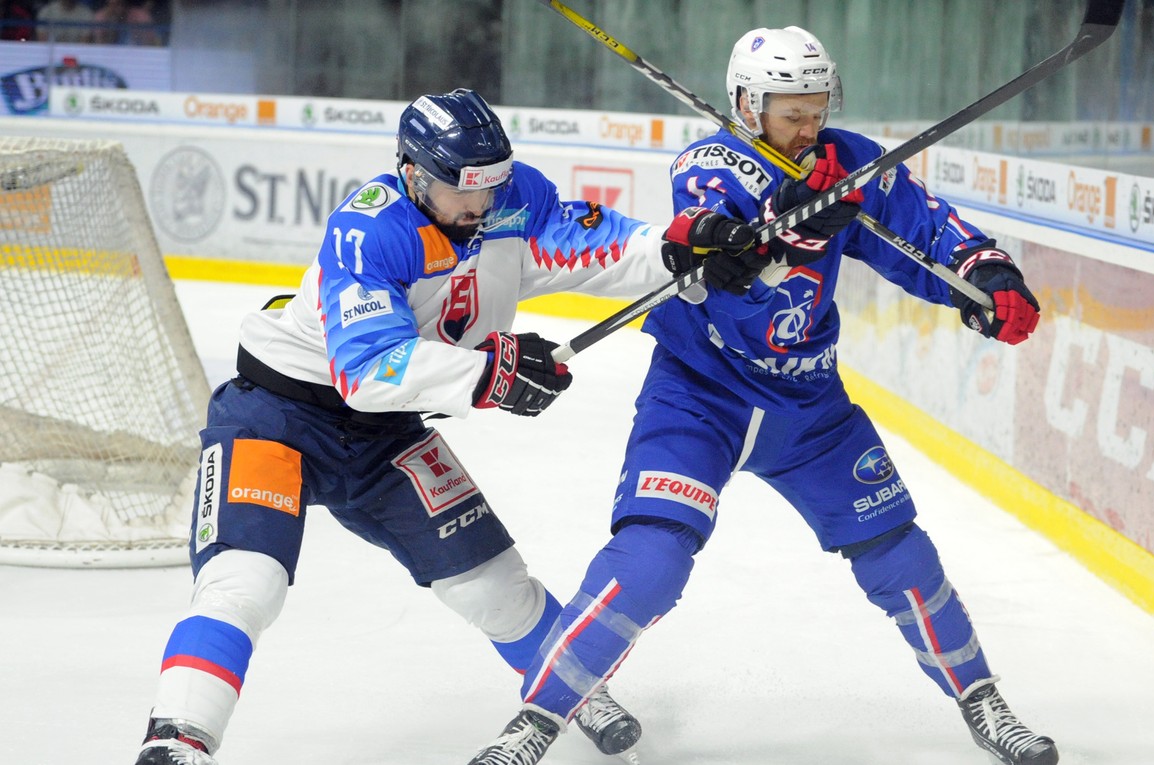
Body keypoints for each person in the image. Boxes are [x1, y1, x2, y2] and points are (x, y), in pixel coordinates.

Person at [467, 26, 1055, 765]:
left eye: (816, 108)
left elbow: (925, 230)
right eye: (790, 113)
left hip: (808, 409)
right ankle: (535, 723)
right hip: (699, 394)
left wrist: (983, 277)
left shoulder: (847, 164)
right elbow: (721, 257)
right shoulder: (713, 163)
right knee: (651, 557)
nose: (808, 127)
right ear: (748, 105)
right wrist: (781, 232)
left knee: (899, 553)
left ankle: (982, 698)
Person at [132, 88, 756, 765]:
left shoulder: (514, 197)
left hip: (386, 435)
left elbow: (598, 246)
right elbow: (366, 370)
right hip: (278, 416)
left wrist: (682, 250)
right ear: (413, 172)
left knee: (494, 582)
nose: (482, 206)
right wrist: (492, 373)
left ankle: (575, 688)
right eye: (465, 190)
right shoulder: (372, 227)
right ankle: (177, 739)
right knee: (246, 579)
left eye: (492, 185)